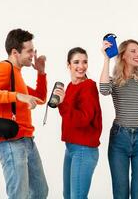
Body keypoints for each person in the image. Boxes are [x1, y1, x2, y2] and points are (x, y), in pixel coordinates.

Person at [0, 28, 49, 199]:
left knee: (40, 192)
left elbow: (39, 98)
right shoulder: (3, 68)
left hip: (27, 140)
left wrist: (41, 72)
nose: (33, 54)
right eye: (29, 51)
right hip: (10, 143)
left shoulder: (17, 74)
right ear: (15, 52)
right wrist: (16, 96)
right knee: (19, 195)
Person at [100, 39, 138, 199]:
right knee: (120, 194)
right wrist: (106, 58)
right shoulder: (114, 80)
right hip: (119, 139)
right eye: (133, 51)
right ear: (122, 55)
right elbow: (103, 90)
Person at [54, 47, 102, 199]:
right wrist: (60, 103)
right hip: (71, 147)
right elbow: (67, 116)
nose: (81, 66)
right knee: (68, 195)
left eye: (84, 62)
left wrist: (63, 104)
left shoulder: (88, 87)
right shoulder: (70, 86)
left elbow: (83, 119)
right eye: (76, 62)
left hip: (84, 149)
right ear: (68, 65)